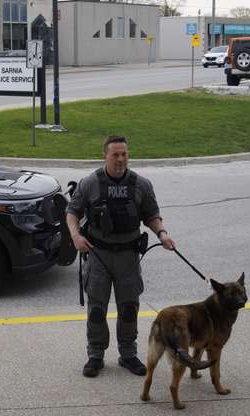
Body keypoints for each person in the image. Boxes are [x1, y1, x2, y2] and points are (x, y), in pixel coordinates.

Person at [66, 135, 176, 378]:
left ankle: (128, 354)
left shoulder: (141, 184)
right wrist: (75, 236)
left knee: (128, 309)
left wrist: (162, 234)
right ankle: (95, 355)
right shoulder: (90, 183)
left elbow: (151, 214)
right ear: (105, 155)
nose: (120, 159)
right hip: (98, 255)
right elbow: (72, 212)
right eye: (115, 154)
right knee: (96, 309)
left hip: (128, 256)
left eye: (124, 154)